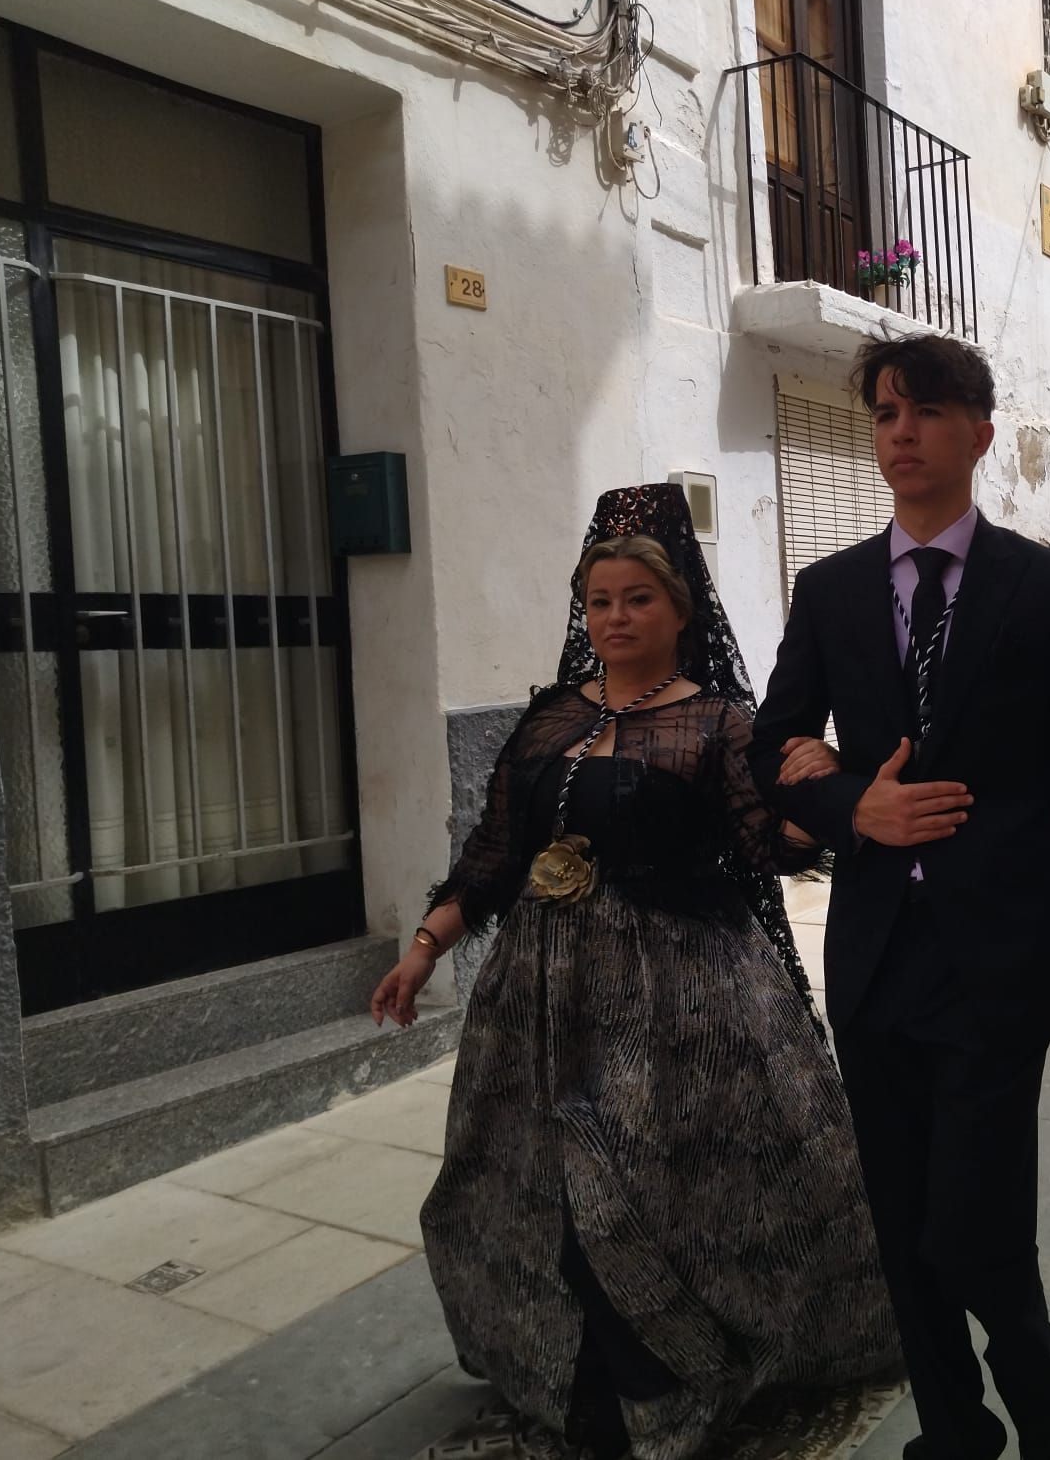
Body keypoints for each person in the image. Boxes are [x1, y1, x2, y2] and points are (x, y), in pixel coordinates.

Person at [374, 486, 901, 1460]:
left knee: (657, 1195)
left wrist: (831, 794)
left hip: (681, 1001)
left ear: (680, 612)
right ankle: (592, 1383)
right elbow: (494, 851)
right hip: (541, 996)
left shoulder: (717, 724)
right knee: (553, 1187)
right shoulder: (547, 719)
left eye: (636, 600)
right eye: (599, 601)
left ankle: (669, 1382)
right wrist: (425, 948)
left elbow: (769, 842)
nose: (615, 618)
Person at [751, 333, 1050, 1460]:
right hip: (877, 959)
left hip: (998, 962)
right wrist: (848, 814)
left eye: (923, 412)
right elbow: (772, 742)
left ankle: (1046, 1420)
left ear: (977, 432)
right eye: (883, 414)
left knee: (972, 1233)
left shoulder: (1047, 588)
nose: (899, 434)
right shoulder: (830, 592)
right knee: (899, 1227)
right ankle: (950, 1437)